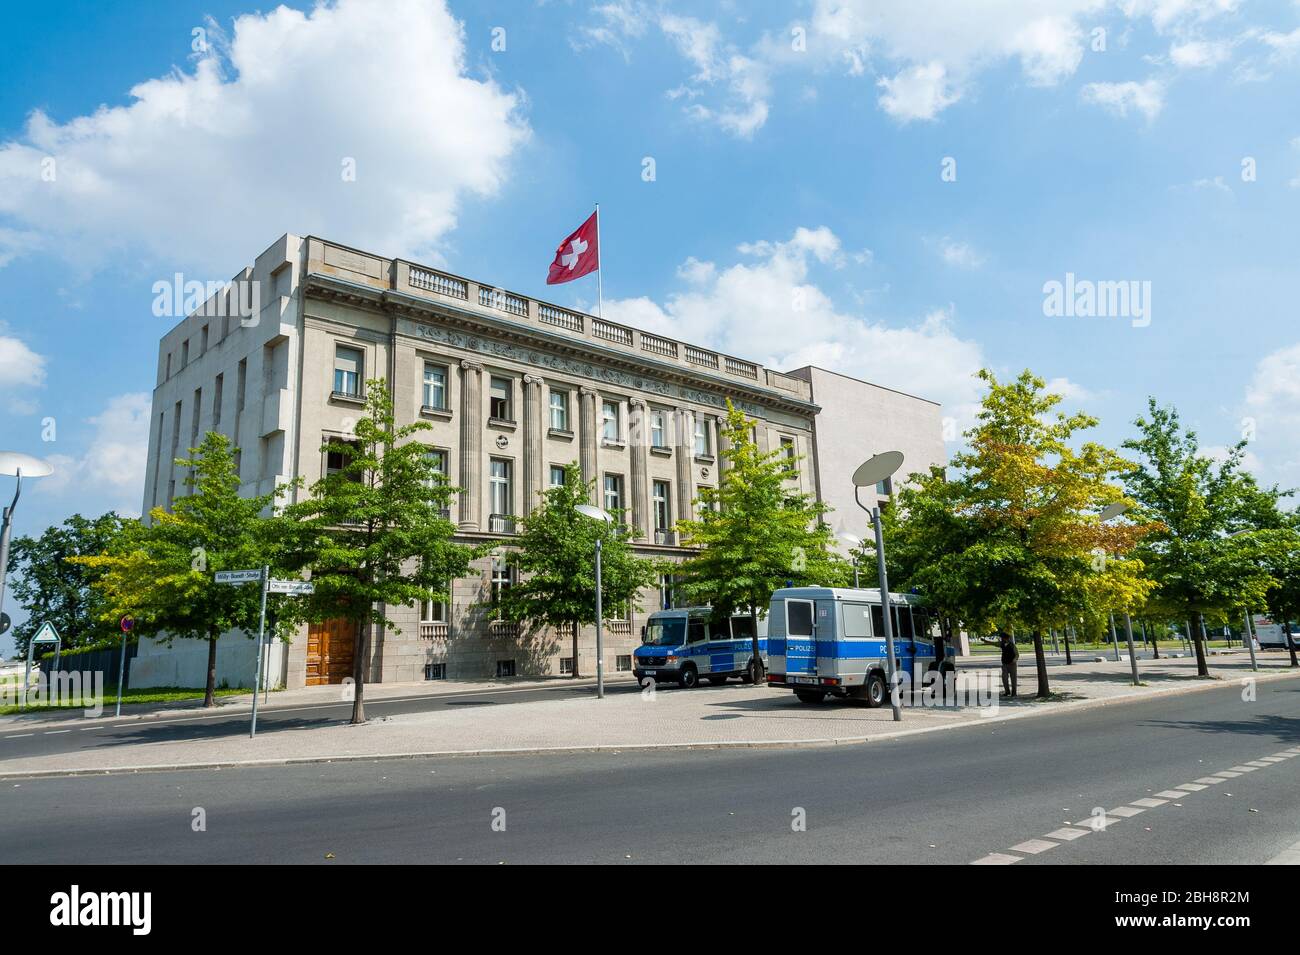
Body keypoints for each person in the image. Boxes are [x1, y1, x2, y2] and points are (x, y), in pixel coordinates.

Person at [999, 631, 1019, 698]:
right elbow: (994, 643)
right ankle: (1007, 691)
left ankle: (1014, 693)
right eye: (1001, 638)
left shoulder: (1012, 645)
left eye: (1002, 638)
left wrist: (1015, 659)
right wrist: (986, 641)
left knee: (1013, 679)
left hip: (1012, 664)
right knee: (1004, 678)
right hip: (1004, 664)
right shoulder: (1002, 644)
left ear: (1006, 638)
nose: (1002, 639)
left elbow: (1017, 654)